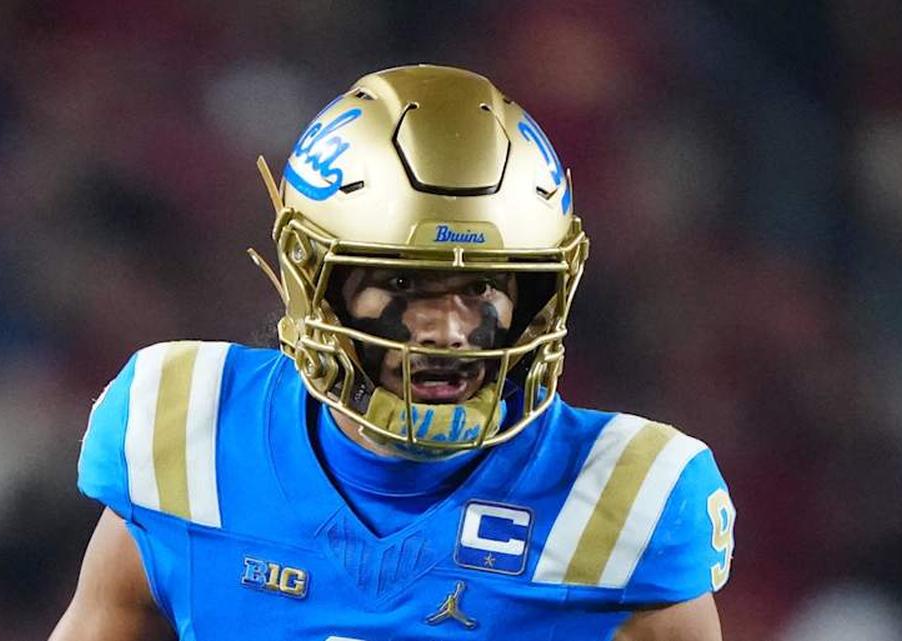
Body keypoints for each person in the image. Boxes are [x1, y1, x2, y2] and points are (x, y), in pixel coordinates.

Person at [49, 64, 736, 641]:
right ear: (313, 280)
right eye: (403, 282)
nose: (447, 329)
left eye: (485, 285)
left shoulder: (629, 505)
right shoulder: (188, 433)